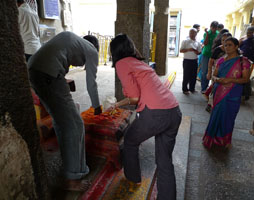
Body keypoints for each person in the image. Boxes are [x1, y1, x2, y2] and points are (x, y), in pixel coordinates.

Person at [109, 34, 182, 200]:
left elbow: (134, 97)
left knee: (130, 140)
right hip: (174, 111)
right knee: (164, 161)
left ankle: (133, 178)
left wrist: (117, 104)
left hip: (155, 114)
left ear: (115, 51)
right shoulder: (140, 63)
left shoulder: (121, 63)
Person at [28, 31, 102, 191]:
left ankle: (69, 163)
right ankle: (73, 178)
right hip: (48, 74)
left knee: (61, 121)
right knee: (76, 126)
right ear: (94, 46)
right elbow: (91, 83)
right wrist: (97, 106)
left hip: (33, 70)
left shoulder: (71, 40)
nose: (79, 66)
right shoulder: (92, 50)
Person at [202, 37, 251, 149]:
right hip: (219, 92)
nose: (227, 47)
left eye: (230, 45)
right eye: (225, 45)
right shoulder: (221, 60)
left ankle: (225, 140)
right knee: (216, 114)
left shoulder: (243, 61)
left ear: (236, 46)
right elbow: (214, 75)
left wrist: (229, 80)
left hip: (233, 94)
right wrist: (217, 79)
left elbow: (245, 79)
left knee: (229, 117)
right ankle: (211, 138)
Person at [205, 32, 232, 112]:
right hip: (216, 72)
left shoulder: (234, 51)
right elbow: (211, 61)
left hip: (227, 74)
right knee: (214, 88)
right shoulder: (218, 50)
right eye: (223, 40)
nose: (224, 42)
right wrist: (209, 73)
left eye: (226, 40)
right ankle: (211, 104)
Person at [239, 26, 254, 100]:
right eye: (248, 32)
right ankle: (240, 92)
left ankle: (246, 94)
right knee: (239, 75)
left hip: (250, 60)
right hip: (241, 59)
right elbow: (238, 46)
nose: (248, 34)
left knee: (246, 77)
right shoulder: (243, 38)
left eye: (250, 33)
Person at [180, 28, 202, 94]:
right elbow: (181, 50)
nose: (192, 34)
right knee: (186, 75)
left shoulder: (198, 42)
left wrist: (195, 51)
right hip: (187, 61)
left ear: (196, 34)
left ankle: (192, 88)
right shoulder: (185, 41)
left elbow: (199, 52)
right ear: (189, 33)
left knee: (193, 75)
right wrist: (188, 49)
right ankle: (185, 89)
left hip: (194, 61)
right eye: (190, 33)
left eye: (193, 33)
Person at [201, 21, 219, 93]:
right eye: (213, 27)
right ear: (210, 26)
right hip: (206, 54)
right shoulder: (206, 33)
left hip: (214, 55)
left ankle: (209, 88)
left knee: (212, 71)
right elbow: (205, 43)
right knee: (204, 71)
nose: (214, 29)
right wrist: (208, 34)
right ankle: (203, 88)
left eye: (215, 28)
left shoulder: (218, 34)